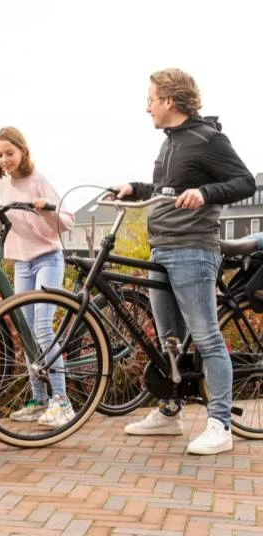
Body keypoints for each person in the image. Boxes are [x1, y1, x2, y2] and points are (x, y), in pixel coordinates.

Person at [115, 68, 255, 455]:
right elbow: (167, 190)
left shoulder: (208, 138)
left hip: (193, 250)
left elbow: (245, 182)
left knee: (207, 338)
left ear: (169, 101)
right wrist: (135, 188)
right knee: (169, 340)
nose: (147, 108)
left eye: (150, 100)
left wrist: (206, 193)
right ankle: (170, 412)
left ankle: (221, 425)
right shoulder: (170, 143)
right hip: (161, 248)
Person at [0, 126, 75, 427]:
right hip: (22, 263)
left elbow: (67, 221)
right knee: (26, 332)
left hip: (47, 258)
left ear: (23, 151)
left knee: (42, 328)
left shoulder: (39, 181)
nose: (4, 159)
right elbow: (17, 222)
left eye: (9, 153)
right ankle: (39, 400)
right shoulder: (3, 185)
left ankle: (62, 400)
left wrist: (45, 210)